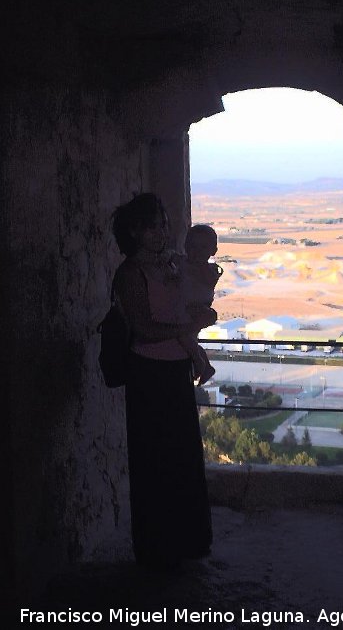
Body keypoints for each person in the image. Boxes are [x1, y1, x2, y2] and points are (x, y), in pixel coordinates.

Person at [111, 193, 216, 570]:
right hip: (149, 375)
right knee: (155, 461)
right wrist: (194, 325)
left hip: (173, 371)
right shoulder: (130, 274)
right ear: (135, 231)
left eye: (165, 224)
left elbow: (181, 305)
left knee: (182, 459)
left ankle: (186, 545)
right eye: (154, 225)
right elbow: (144, 328)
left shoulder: (169, 266)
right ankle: (157, 550)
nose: (162, 232)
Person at [177, 224, 224, 384]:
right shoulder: (186, 264)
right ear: (185, 246)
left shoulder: (207, 271)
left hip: (193, 308)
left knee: (184, 335)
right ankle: (204, 364)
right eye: (193, 246)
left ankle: (199, 361)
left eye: (203, 247)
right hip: (190, 308)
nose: (197, 251)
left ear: (213, 251)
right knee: (189, 338)